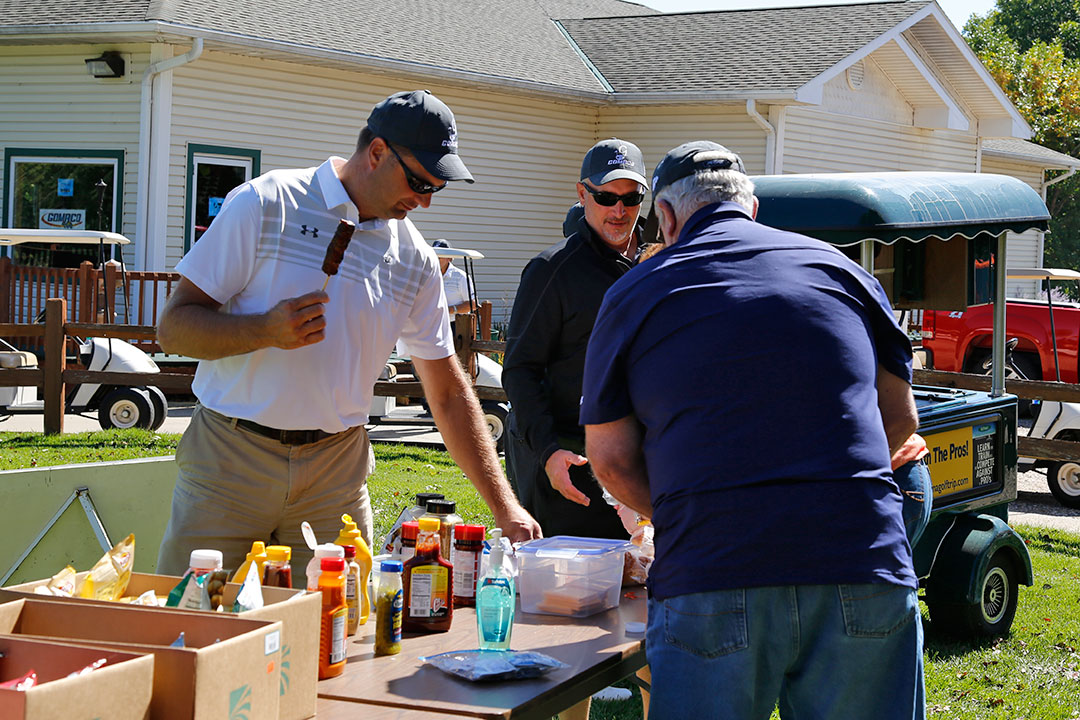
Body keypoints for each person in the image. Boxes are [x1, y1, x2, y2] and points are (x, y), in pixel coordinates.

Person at [580, 141, 925, 719]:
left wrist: (688, 505)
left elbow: (610, 459)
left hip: (713, 569)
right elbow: (900, 421)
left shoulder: (635, 292)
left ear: (664, 216)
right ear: (752, 208)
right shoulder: (843, 271)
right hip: (860, 561)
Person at [155, 90, 541, 584]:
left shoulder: (415, 259)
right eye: (419, 181)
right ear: (376, 152)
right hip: (231, 459)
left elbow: (446, 393)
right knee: (196, 628)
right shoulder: (266, 202)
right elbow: (174, 328)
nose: (423, 200)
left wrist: (505, 507)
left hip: (336, 473)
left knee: (335, 639)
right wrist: (264, 330)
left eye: (436, 188)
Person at [503, 138, 649, 540]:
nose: (619, 210)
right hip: (570, 457)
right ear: (582, 194)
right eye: (605, 196)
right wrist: (549, 452)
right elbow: (519, 370)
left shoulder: (658, 263)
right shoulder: (552, 271)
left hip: (638, 456)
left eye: (631, 197)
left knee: (640, 581)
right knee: (572, 590)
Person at [430, 239, 477, 322]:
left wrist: (449, 310)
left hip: (457, 325)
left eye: (439, 257)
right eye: (434, 257)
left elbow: (472, 305)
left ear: (449, 258)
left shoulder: (461, 277)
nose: (435, 260)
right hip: (433, 323)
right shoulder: (429, 275)